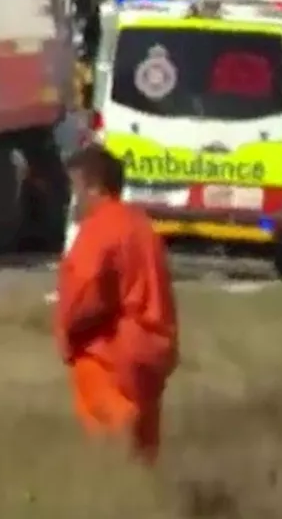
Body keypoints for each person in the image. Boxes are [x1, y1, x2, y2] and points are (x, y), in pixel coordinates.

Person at [56, 145, 178, 463]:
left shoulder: (99, 228)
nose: (75, 200)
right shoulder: (141, 225)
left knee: (111, 440)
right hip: (154, 348)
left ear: (94, 186)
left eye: (76, 189)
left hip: (114, 353)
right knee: (145, 448)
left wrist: (66, 334)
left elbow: (83, 292)